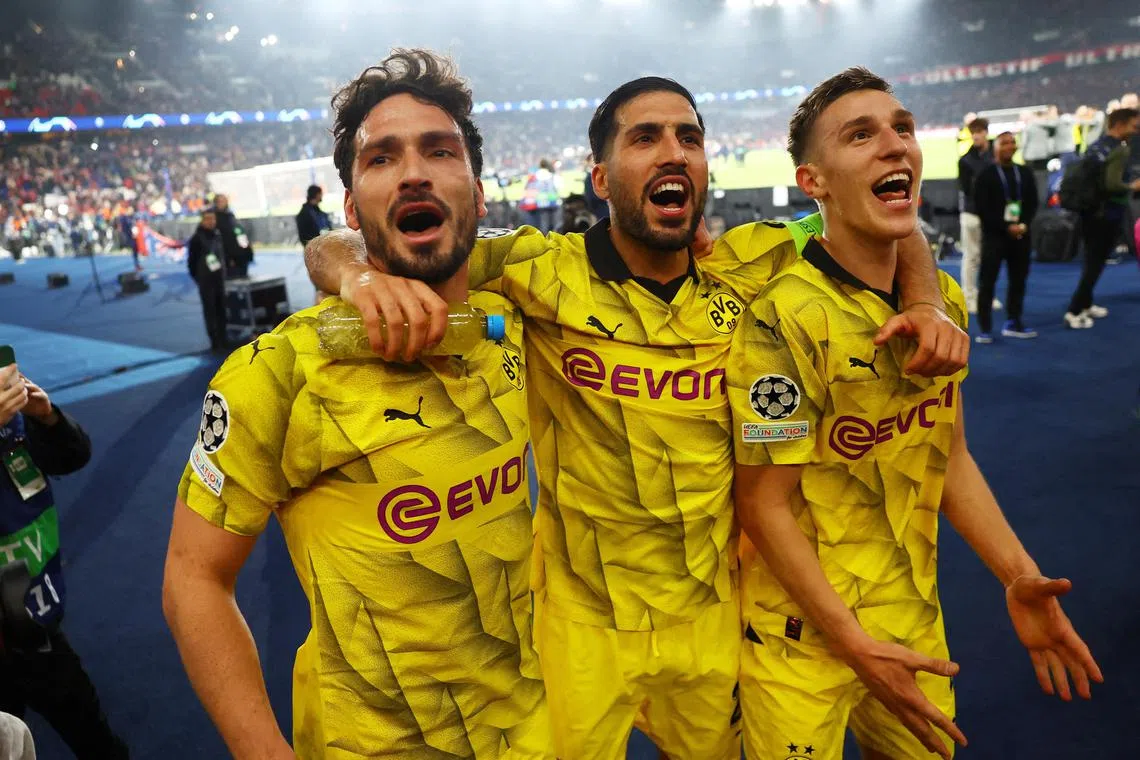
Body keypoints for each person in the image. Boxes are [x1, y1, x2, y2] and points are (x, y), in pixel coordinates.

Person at [304, 74, 969, 759]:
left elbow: (885, 221)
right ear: (600, 177)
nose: (672, 153)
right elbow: (340, 244)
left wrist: (926, 302)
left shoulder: (753, 259)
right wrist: (359, 279)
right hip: (581, 629)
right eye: (644, 138)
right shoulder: (537, 269)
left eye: (689, 138)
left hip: (711, 623)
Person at [162, 49, 551, 760]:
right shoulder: (277, 373)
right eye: (381, 159)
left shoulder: (520, 311)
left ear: (478, 188)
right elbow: (194, 577)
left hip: (536, 727)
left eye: (441, 151)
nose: (413, 171)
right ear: (350, 205)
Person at [728, 67, 1102, 760]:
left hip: (911, 623)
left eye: (902, 128)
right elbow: (764, 506)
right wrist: (850, 642)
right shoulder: (781, 317)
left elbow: (948, 457)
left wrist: (1018, 576)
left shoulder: (943, 304)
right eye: (861, 135)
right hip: (798, 640)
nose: (895, 145)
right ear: (813, 182)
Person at [0, 362, 129, 759]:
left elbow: (71, 456)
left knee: (91, 729)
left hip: (33, 618)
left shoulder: (12, 424)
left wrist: (47, 417)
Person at [1063, 106, 1140, 329]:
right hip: (1105, 213)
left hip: (1090, 212)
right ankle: (1074, 310)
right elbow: (1112, 184)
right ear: (1120, 124)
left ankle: (1085, 304)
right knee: (1094, 264)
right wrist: (1132, 185)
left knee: (1091, 261)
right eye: (1133, 126)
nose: (1135, 131)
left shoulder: (1097, 146)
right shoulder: (1119, 149)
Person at [972, 131, 1039, 343]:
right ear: (996, 148)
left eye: (1012, 142)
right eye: (1004, 143)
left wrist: (1024, 224)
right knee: (987, 282)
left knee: (1018, 280)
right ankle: (985, 327)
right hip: (995, 237)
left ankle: (1014, 321)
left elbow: (1032, 202)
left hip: (1021, 235)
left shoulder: (1025, 173)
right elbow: (982, 208)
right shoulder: (986, 175)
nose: (1010, 146)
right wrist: (1004, 227)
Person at [956, 116, 994, 314]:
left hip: (992, 215)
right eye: (973, 132)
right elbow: (966, 190)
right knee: (971, 256)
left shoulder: (995, 154)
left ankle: (985, 294)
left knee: (988, 257)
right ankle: (969, 296)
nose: (976, 136)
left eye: (979, 131)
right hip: (972, 213)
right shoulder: (966, 161)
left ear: (986, 132)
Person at [185, 210, 228, 353]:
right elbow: (191, 262)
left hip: (219, 279)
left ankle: (224, 338)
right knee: (210, 311)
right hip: (206, 281)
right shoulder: (196, 239)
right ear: (202, 221)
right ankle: (215, 342)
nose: (211, 222)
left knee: (221, 309)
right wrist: (199, 278)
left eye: (213, 219)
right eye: (208, 219)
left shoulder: (218, 235)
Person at [211, 194, 253, 278]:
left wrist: (248, 252)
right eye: (220, 201)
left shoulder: (230, 215)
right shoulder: (213, 218)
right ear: (215, 203)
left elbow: (239, 234)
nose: (222, 203)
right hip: (228, 257)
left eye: (224, 201)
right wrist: (229, 258)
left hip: (240, 256)